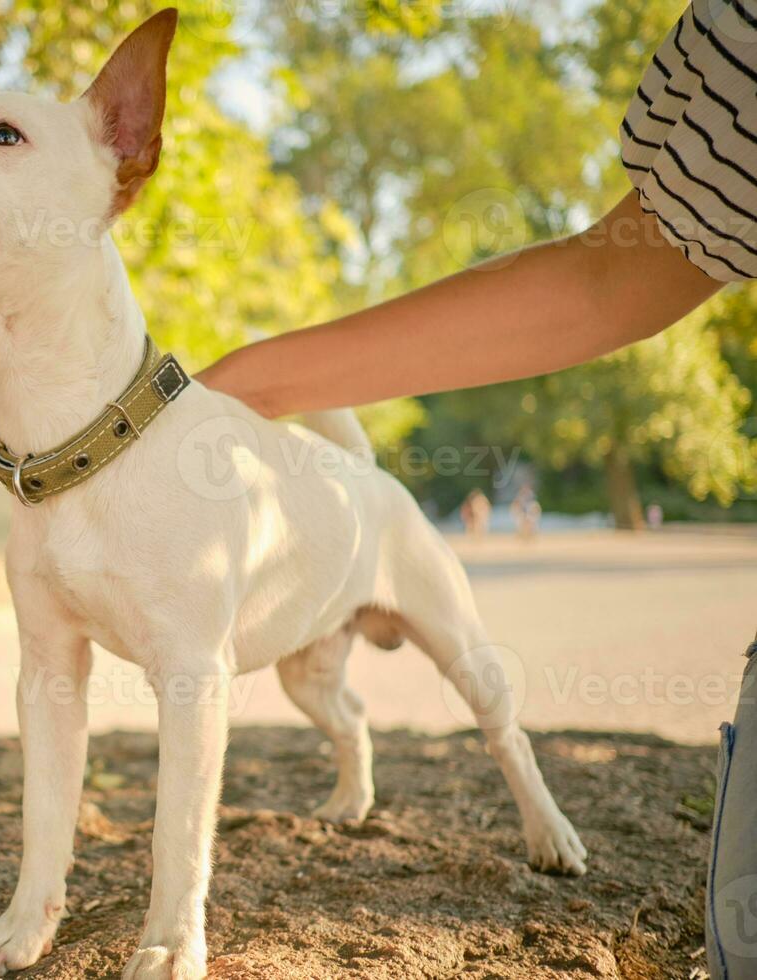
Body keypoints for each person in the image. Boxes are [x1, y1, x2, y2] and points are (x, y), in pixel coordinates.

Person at [199, 2, 755, 975]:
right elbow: (609, 281)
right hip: (337, 529)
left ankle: (536, 792)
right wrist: (255, 379)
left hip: (385, 532)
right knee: (311, 681)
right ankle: (355, 761)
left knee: (480, 681)